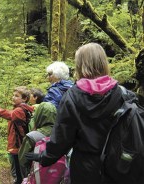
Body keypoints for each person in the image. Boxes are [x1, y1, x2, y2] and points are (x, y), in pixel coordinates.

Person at [25, 43, 131, 183]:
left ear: (80, 65)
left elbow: (63, 136)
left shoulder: (72, 96)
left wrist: (45, 157)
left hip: (84, 168)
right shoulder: (123, 94)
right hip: (118, 166)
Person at [0, 86, 34, 184]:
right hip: (20, 145)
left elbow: (8, 114)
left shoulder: (19, 110)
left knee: (18, 175)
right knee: (21, 173)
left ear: (24, 98)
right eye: (13, 95)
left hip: (17, 147)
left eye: (16, 96)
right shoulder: (24, 108)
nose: (13, 97)